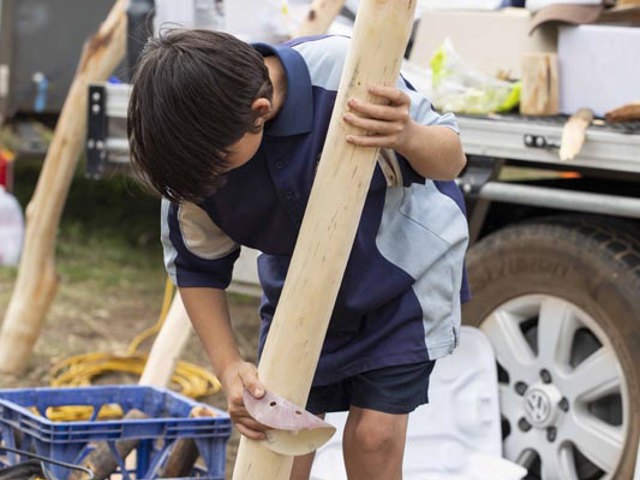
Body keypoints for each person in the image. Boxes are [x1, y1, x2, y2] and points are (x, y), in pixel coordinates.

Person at [128, 28, 470, 480]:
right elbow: (198, 270)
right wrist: (229, 369)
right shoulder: (192, 164)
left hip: (403, 280)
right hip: (299, 293)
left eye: (217, 165)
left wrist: (406, 135)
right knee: (278, 439)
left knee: (374, 437)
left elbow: (451, 160)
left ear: (260, 113)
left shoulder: (345, 70)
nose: (206, 183)